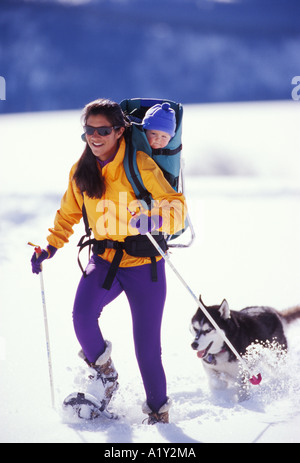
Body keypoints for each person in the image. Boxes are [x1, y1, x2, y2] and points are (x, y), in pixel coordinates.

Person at [31, 98, 186, 424]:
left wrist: (155, 221)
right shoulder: (81, 170)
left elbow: (177, 208)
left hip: (145, 266)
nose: (95, 136)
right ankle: (105, 374)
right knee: (82, 316)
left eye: (103, 130)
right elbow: (68, 213)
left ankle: (159, 415)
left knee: (147, 348)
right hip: (104, 260)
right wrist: (50, 246)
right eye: (89, 130)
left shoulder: (139, 163)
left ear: (119, 131)